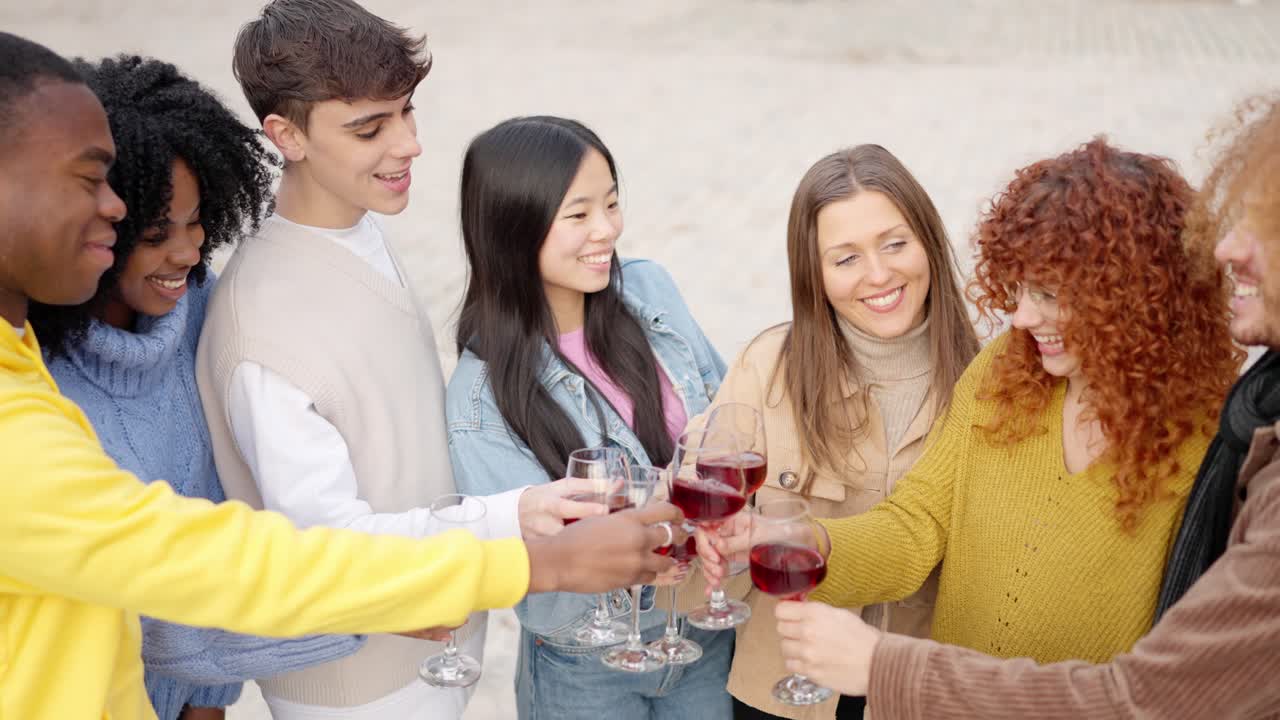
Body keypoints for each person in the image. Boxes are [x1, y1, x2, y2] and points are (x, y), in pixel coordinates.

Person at [0, 30, 679, 720]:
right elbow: (221, 563)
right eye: (88, 180)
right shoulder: (22, 429)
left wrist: (511, 517)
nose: (114, 206)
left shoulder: (40, 347)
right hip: (360, 679)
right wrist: (537, 564)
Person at [768, 94, 1280, 720]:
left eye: (1050, 295)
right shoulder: (1003, 371)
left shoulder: (1214, 435)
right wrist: (799, 542)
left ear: (1134, 300)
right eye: (1019, 289)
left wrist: (881, 663)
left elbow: (1161, 689)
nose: (1021, 317)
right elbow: (916, 526)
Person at [196, 4, 624, 718]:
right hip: (357, 688)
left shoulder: (351, 227)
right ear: (286, 135)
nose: (410, 144)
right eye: (370, 128)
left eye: (406, 112)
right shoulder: (260, 325)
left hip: (433, 651)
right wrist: (514, 514)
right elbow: (330, 546)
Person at [24, 54, 371, 720]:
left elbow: (223, 498)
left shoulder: (206, 314)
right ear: (98, 226)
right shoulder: (45, 390)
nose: (188, 253)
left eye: (198, 220)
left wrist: (210, 701)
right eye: (156, 235)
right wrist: (372, 595)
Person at [445, 116, 730, 719]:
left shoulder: (650, 290)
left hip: (703, 635)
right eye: (578, 215)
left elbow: (728, 423)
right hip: (586, 667)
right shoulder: (479, 399)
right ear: (512, 228)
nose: (606, 230)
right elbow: (541, 589)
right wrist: (669, 539)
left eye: (612, 203)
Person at [694, 145, 978, 720]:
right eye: (845, 258)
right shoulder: (767, 365)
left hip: (918, 692)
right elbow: (695, 480)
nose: (879, 275)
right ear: (814, 274)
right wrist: (698, 529)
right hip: (783, 687)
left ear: (929, 241)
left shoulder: (989, 378)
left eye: (895, 244)